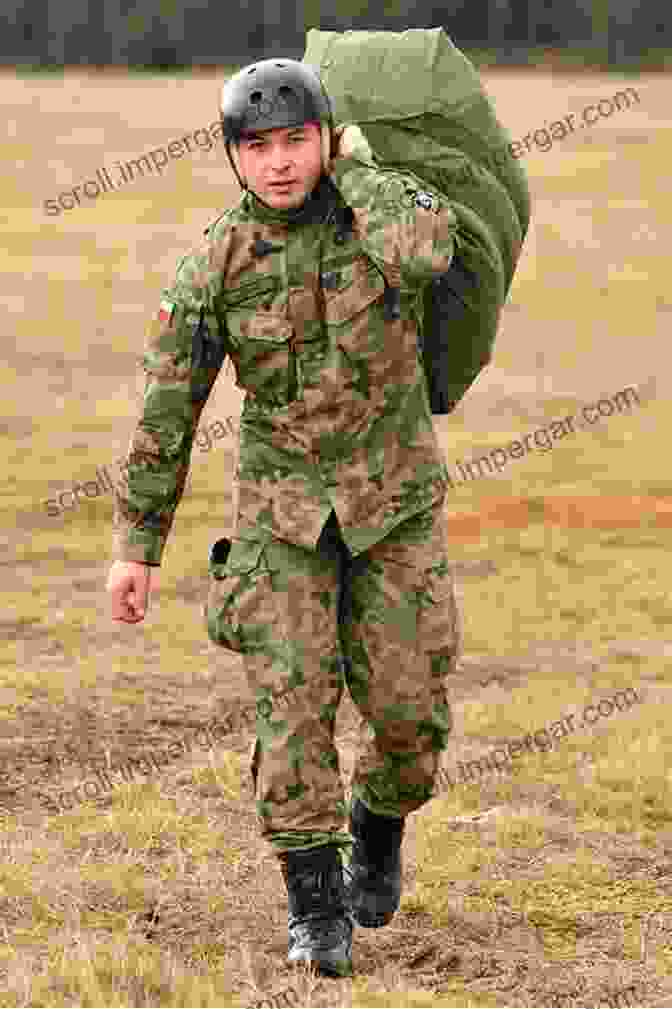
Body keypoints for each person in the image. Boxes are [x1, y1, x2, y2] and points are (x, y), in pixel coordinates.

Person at [106, 57, 461, 978]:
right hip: (283, 516)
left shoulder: (373, 211)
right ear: (232, 155)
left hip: (394, 505)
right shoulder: (216, 262)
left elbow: (430, 249)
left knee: (411, 717)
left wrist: (356, 167)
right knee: (292, 704)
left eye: (296, 140)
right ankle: (315, 902)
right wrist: (137, 545)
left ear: (326, 137)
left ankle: (379, 819)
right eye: (256, 146)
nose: (277, 164)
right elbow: (166, 408)